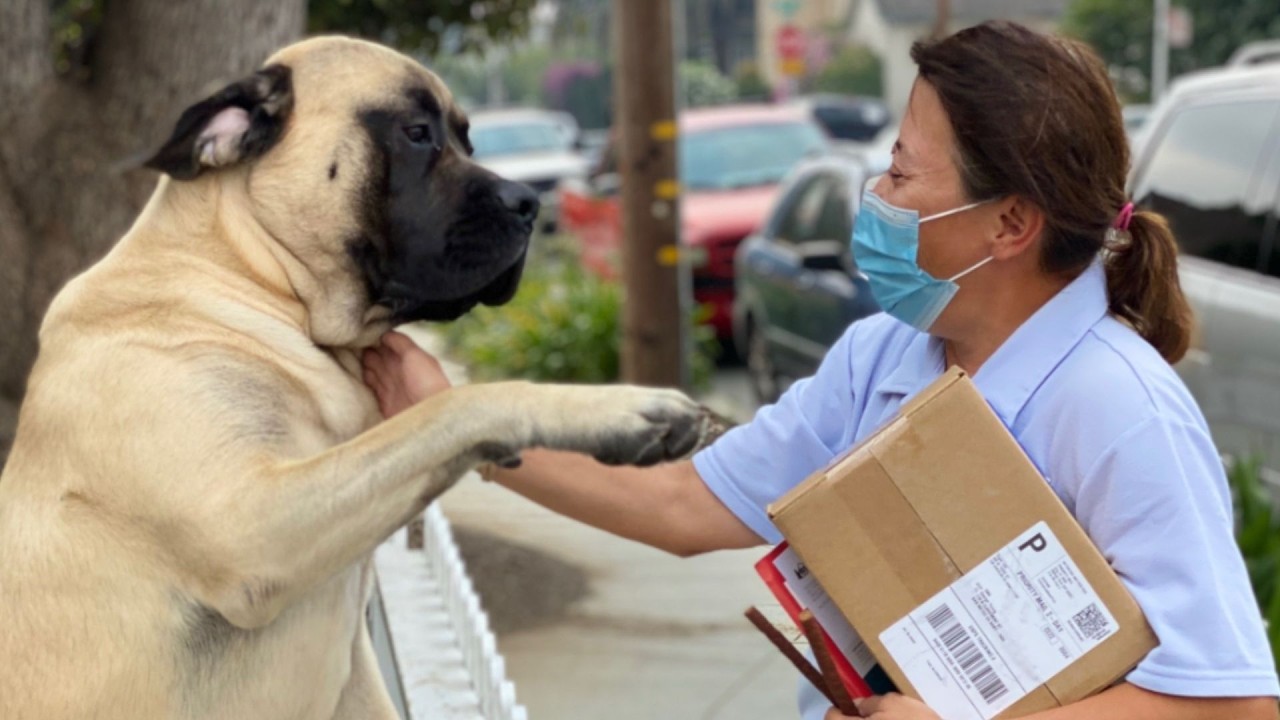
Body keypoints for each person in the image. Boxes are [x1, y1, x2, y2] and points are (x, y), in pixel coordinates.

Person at [362, 21, 1280, 720]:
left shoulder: (1118, 408)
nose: (873, 198)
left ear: (1010, 224)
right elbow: (685, 503)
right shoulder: (883, 358)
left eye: (902, 174)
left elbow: (1235, 704)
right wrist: (461, 428)